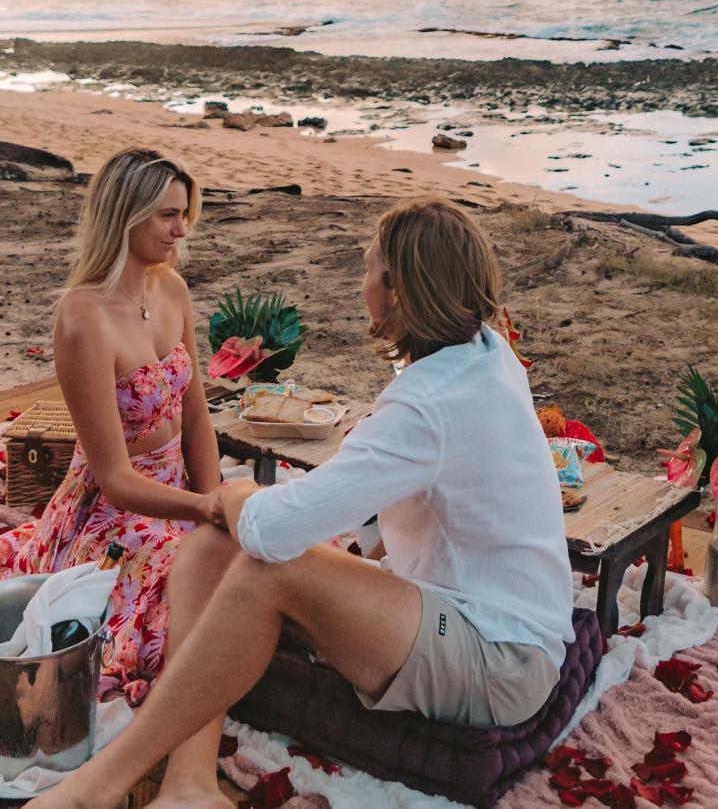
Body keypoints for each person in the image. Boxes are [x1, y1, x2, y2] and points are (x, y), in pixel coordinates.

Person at [32, 197, 574, 809]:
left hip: (498, 655)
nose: (360, 281)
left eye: (368, 268)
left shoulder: (429, 404)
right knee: (214, 541)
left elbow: (269, 531)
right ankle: (188, 782)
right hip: (457, 609)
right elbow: (371, 495)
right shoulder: (482, 351)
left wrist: (233, 492)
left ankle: (96, 787)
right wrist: (236, 513)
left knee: (267, 561)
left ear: (396, 289)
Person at [0, 147, 223, 704]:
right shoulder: (83, 318)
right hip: (113, 513)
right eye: (167, 215)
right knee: (194, 590)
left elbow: (195, 415)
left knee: (244, 557)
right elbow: (115, 477)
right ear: (126, 214)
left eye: (184, 213)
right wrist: (206, 512)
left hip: (179, 490)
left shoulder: (171, 289)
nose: (181, 228)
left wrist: (217, 502)